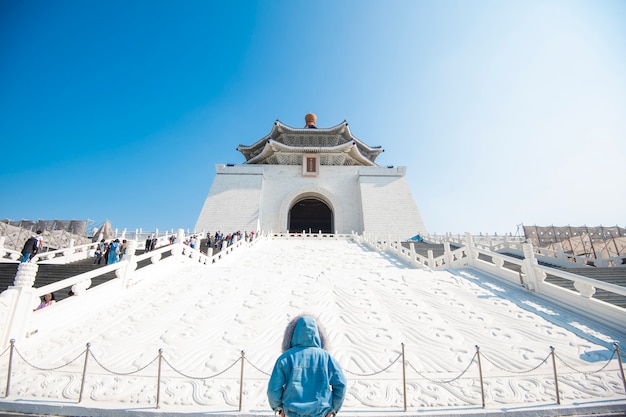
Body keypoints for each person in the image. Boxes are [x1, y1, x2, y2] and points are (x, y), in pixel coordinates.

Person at [267, 315, 346, 417]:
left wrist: (278, 407)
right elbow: (341, 384)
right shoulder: (326, 358)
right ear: (317, 333)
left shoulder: (286, 358)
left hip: (292, 412)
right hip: (321, 412)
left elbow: (273, 388)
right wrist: (334, 408)